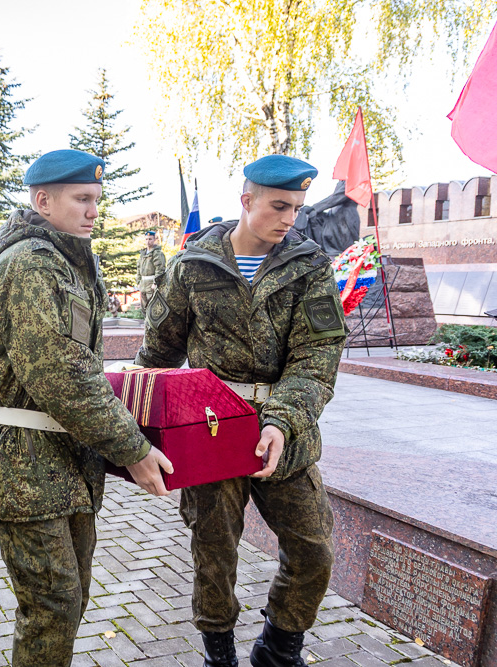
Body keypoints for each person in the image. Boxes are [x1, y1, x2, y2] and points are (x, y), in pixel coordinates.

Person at [136, 154, 346, 667]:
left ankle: (278, 646)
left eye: (297, 208)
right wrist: (145, 438)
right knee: (214, 554)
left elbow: (316, 359)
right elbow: (159, 355)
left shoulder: (309, 265)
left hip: (284, 431)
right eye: (278, 206)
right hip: (210, 431)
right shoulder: (193, 265)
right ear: (246, 201)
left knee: (314, 549)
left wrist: (282, 420)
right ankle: (219, 654)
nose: (289, 219)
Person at [0, 149, 173, 667]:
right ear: (44, 201)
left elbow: (77, 364)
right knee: (52, 606)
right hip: (26, 460)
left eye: (96, 200)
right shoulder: (30, 265)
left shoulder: (64, 261)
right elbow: (57, 372)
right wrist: (131, 447)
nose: (93, 211)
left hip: (62, 455)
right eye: (82, 199)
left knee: (69, 598)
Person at [137, 229, 166, 315]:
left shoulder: (157, 253)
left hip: (151, 283)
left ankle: (152, 326)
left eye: (150, 239)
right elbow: (139, 269)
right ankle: (146, 325)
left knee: (153, 306)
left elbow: (160, 269)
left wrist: (155, 282)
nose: (148, 241)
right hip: (143, 284)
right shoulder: (143, 254)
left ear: (154, 240)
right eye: (146, 239)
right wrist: (138, 281)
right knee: (144, 307)